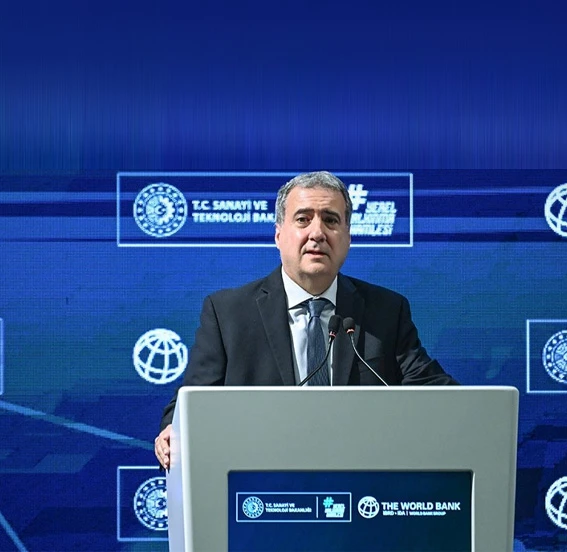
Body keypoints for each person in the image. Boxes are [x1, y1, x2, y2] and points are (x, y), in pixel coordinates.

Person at [154, 171, 457, 468]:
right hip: (260, 481)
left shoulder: (386, 311)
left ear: (348, 237)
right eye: (303, 219)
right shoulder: (228, 313)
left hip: (361, 479)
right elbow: (190, 404)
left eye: (331, 220)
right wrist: (172, 431)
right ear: (278, 235)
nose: (317, 233)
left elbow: (436, 393)